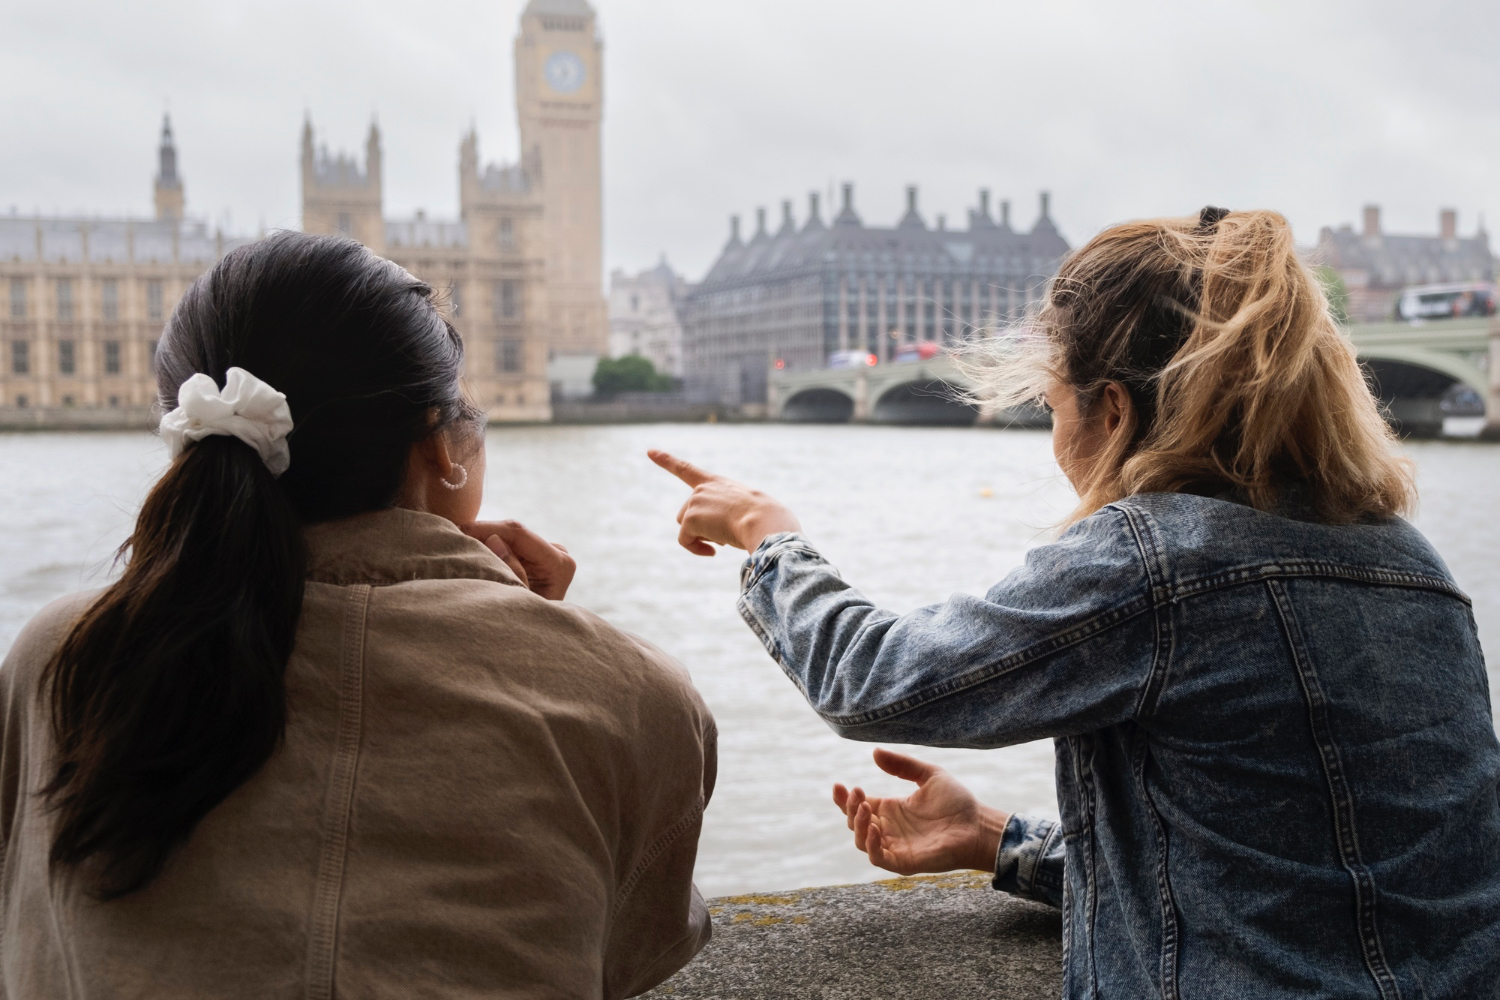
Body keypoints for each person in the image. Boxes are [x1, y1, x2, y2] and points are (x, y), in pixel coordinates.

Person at [651, 208, 1500, 998]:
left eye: (1056, 408)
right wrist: (994, 838)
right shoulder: (1411, 560)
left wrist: (770, 539)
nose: (1056, 443)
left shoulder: (1153, 557)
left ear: (1115, 411)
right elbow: (1302, 885)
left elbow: (875, 680)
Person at [0, 232, 715, 999]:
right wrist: (546, 645)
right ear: (442, 445)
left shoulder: (58, 661)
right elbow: (623, 950)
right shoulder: (634, 693)